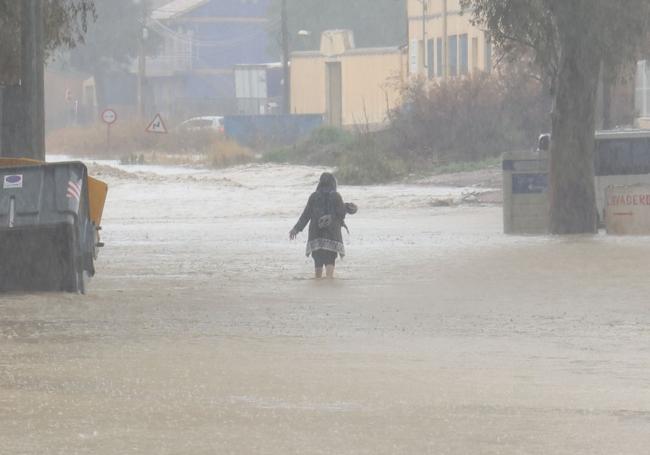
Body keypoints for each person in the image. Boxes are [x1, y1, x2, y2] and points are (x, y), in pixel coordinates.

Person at [289, 172, 356, 279]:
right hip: (332, 233)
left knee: (318, 261)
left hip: (315, 233)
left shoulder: (314, 196)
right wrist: (348, 207)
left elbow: (305, 215)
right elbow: (341, 213)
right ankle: (329, 283)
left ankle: (318, 283)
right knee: (330, 259)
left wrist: (296, 229)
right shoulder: (336, 196)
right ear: (332, 182)